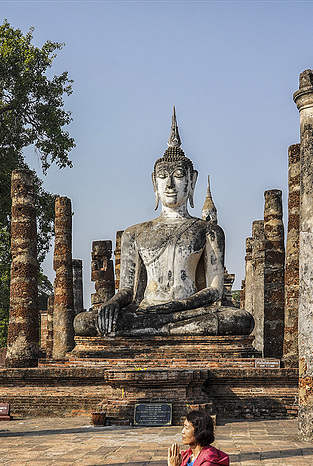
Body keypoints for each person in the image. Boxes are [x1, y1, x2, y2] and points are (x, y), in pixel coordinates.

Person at [74, 108, 253, 338]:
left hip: (188, 312)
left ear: (192, 180)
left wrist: (178, 306)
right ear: (154, 183)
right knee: (84, 323)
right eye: (162, 176)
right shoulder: (135, 233)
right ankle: (156, 328)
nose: (169, 184)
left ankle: (153, 330)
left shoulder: (208, 231)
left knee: (238, 320)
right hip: (146, 310)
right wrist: (113, 303)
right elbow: (128, 290)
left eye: (178, 175)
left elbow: (215, 289)